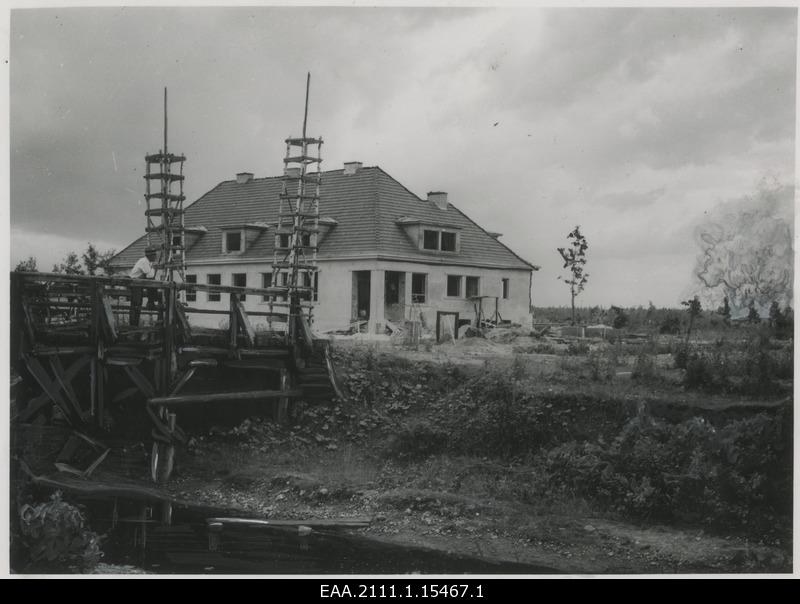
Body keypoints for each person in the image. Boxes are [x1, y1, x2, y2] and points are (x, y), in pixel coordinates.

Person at [129, 245, 159, 327]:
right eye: (154, 255)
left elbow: (150, 275)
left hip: (139, 283)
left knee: (153, 283)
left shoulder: (148, 262)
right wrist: (154, 268)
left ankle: (152, 301)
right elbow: (150, 275)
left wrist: (153, 268)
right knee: (136, 304)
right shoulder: (144, 261)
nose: (155, 256)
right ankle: (133, 325)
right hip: (135, 283)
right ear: (150, 256)